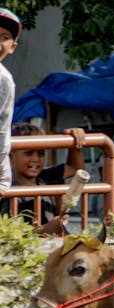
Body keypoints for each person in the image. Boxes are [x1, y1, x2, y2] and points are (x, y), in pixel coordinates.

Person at [3, 122, 87, 234]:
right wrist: (42, 232)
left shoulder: (46, 177)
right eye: (28, 153)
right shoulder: (5, 187)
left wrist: (75, 140)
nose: (35, 159)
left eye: (41, 153)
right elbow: (6, 237)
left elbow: (75, 167)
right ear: (11, 156)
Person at [0, 7, 20, 198]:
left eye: (4, 37)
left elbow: (2, 129)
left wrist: (2, 178)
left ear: (12, 46)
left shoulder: (3, 80)